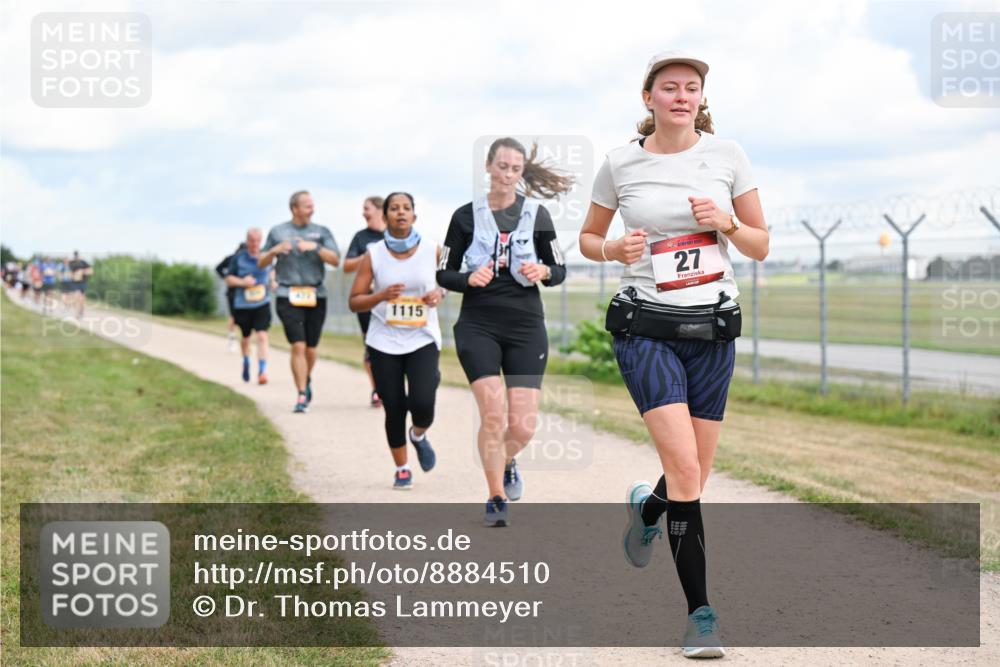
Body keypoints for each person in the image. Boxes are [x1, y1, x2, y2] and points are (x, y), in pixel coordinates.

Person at [579, 52, 769, 659]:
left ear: (700, 99)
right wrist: (613, 248)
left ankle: (649, 508)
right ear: (649, 97)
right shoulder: (620, 162)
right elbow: (587, 237)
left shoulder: (728, 155)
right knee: (687, 471)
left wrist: (728, 224)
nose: (681, 96)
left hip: (712, 328)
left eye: (692, 88)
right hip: (646, 325)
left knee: (692, 476)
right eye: (670, 87)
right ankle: (701, 616)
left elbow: (762, 244)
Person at [437, 137, 571, 527]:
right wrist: (467, 279)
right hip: (478, 324)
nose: (508, 175)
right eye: (502, 167)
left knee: (523, 426)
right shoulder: (465, 216)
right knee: (493, 416)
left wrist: (544, 271)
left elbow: (559, 270)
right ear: (489, 167)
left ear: (521, 172)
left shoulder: (537, 214)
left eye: (515, 169)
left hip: (527, 327)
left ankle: (508, 460)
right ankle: (495, 496)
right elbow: (444, 272)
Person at [349, 192, 443, 489]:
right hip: (383, 341)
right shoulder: (373, 254)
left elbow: (449, 281)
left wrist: (439, 293)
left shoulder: (432, 250)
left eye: (406, 208)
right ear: (385, 216)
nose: (400, 212)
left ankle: (418, 434)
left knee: (423, 403)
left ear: (414, 215)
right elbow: (355, 301)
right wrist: (380, 296)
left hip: (422, 337)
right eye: (394, 208)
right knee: (394, 406)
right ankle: (402, 467)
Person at [258, 190, 340, 413]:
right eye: (306, 205)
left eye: (312, 205)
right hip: (287, 294)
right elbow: (261, 262)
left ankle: (306, 376)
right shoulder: (278, 232)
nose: (311, 209)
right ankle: (301, 394)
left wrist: (316, 248)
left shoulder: (321, 232)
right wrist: (274, 250)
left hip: (316, 294)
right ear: (294, 208)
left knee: (311, 349)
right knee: (298, 345)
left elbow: (335, 260)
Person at [342, 195, 388, 408]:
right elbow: (347, 266)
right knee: (371, 346)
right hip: (368, 300)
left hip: (393, 301)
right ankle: (377, 389)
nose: (363, 212)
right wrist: (369, 256)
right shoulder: (361, 238)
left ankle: (392, 386)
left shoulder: (395, 233)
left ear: (380, 210)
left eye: (367, 208)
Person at [225, 228, 274, 384]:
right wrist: (242, 282)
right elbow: (229, 279)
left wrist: (273, 281)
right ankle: (246, 362)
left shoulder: (266, 256)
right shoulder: (238, 259)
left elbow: (273, 271)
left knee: (262, 335)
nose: (254, 244)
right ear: (247, 241)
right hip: (243, 304)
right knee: (245, 338)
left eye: (257, 241)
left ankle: (262, 370)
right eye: (251, 241)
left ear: (261, 241)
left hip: (262, 303)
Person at [216, 243, 246, 352]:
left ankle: (242, 339)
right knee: (233, 316)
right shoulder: (231, 259)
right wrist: (226, 278)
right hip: (233, 291)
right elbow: (218, 268)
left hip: (245, 292)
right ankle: (232, 339)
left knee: (243, 316)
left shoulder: (248, 260)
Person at [66, 251, 92, 318]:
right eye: (75, 256)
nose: (76, 257)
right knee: (76, 297)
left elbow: (90, 270)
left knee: (82, 298)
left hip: (83, 282)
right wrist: (74, 275)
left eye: (77, 256)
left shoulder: (83, 262)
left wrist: (83, 272)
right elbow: (69, 272)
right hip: (75, 282)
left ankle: (81, 310)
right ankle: (77, 313)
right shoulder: (71, 263)